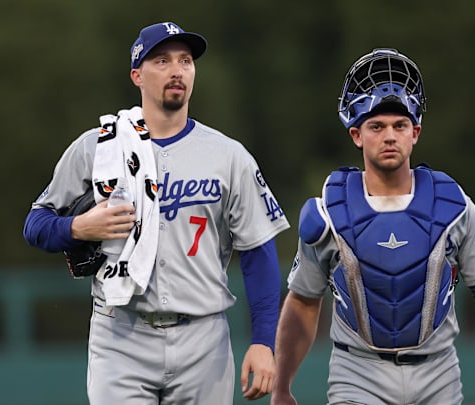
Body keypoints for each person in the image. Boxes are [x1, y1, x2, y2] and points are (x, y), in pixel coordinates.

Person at [271, 48, 475, 405]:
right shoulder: (329, 211)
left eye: (399, 125)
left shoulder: (453, 205)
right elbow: (302, 302)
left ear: (415, 132)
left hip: (437, 375)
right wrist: (282, 387)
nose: (389, 136)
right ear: (357, 135)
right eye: (377, 126)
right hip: (357, 375)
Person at [23, 21, 289, 404]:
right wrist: (78, 226)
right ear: (136, 75)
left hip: (203, 339)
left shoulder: (229, 156)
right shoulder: (99, 147)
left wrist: (265, 341)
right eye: (161, 61)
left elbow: (258, 252)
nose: (177, 70)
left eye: (185, 61)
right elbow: (36, 224)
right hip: (121, 336)